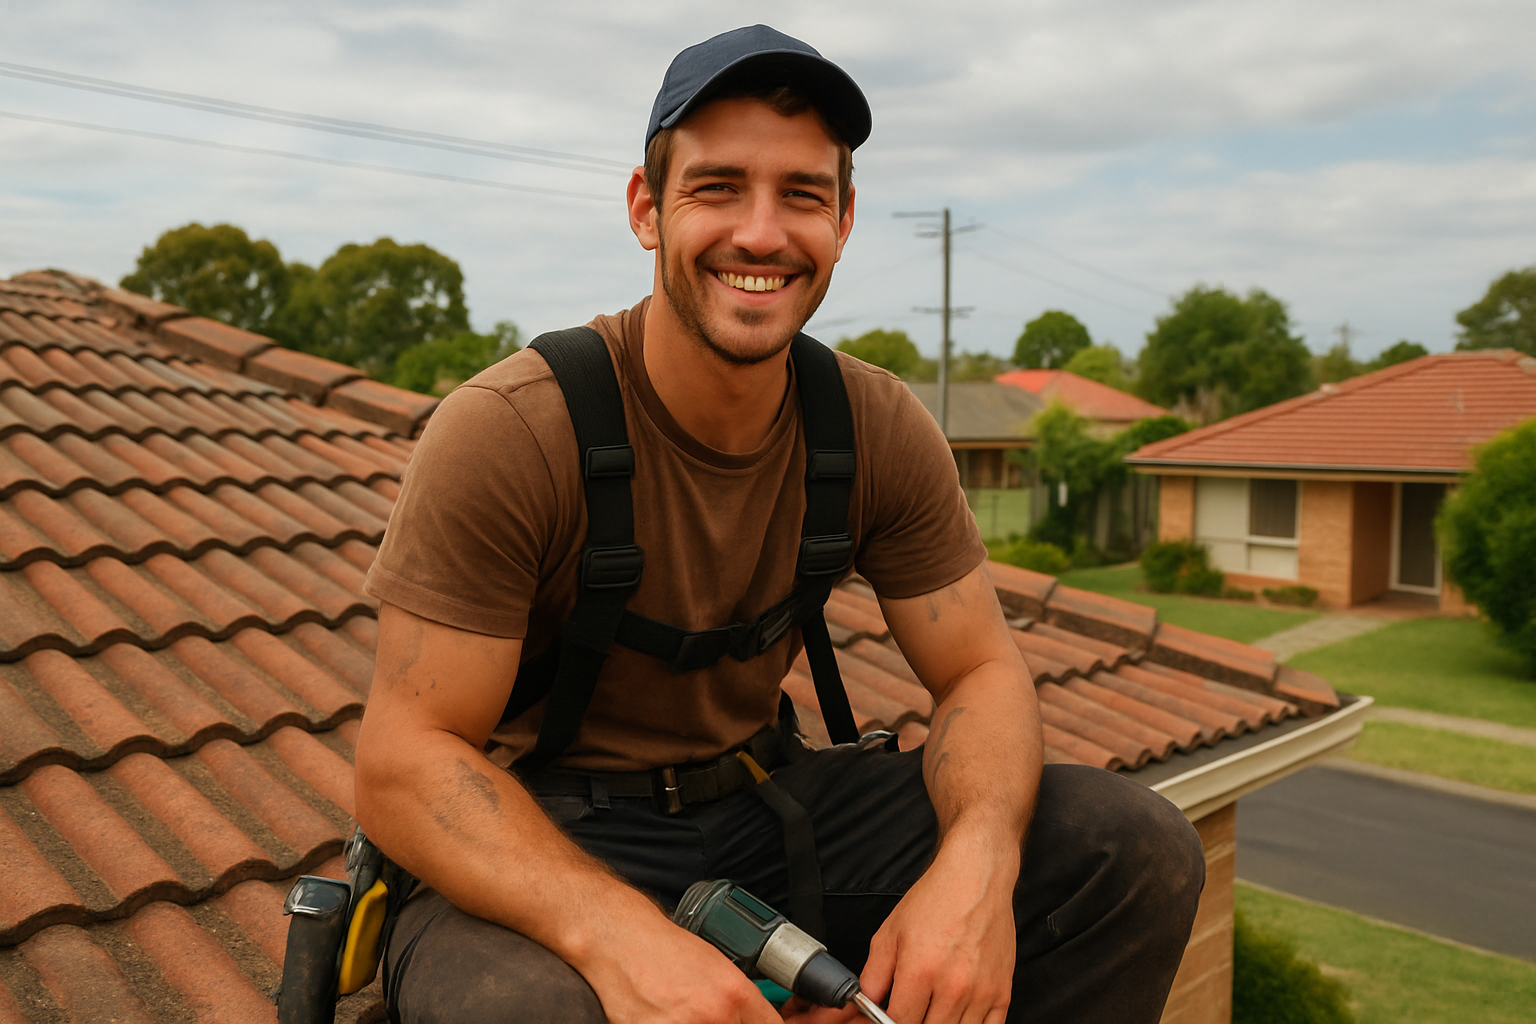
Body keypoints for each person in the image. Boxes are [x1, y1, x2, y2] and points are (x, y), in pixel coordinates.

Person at [354, 24, 1204, 1024]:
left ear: (843, 220)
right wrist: (621, 937)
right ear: (645, 209)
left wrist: (976, 868)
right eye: (717, 188)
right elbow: (405, 761)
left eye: (802, 195)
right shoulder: (514, 430)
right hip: (542, 833)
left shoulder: (873, 423)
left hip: (770, 812)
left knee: (1131, 848)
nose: (761, 234)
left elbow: (980, 668)